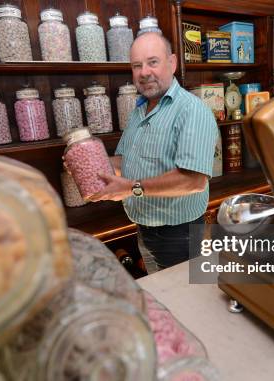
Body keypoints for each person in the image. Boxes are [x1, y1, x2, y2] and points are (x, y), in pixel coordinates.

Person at [89, 32, 218, 273]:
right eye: (137, 65)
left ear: (172, 63)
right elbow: (128, 161)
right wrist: (89, 162)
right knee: (162, 301)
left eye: (152, 62)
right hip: (145, 228)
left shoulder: (192, 110)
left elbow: (194, 181)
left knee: (184, 304)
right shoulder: (139, 110)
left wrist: (130, 188)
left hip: (180, 235)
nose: (144, 72)